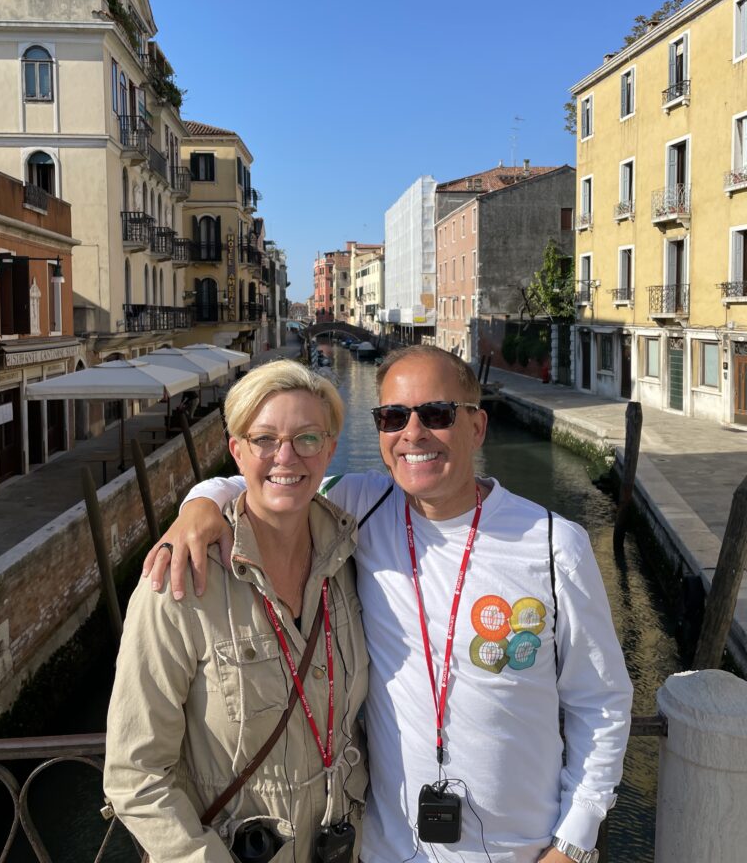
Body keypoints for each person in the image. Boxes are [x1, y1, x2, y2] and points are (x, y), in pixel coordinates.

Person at [146, 346, 633, 863]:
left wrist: (575, 842)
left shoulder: (556, 544)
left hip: (525, 851)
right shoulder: (361, 505)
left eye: (437, 414)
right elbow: (272, 479)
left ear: (477, 427)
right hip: (386, 850)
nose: (413, 433)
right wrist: (200, 505)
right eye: (393, 417)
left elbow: (599, 703)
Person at [104, 360, 368, 863]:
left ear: (330, 448)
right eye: (264, 438)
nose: (286, 456)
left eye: (308, 438)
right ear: (236, 450)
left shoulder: (353, 557)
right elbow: (134, 775)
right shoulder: (178, 582)